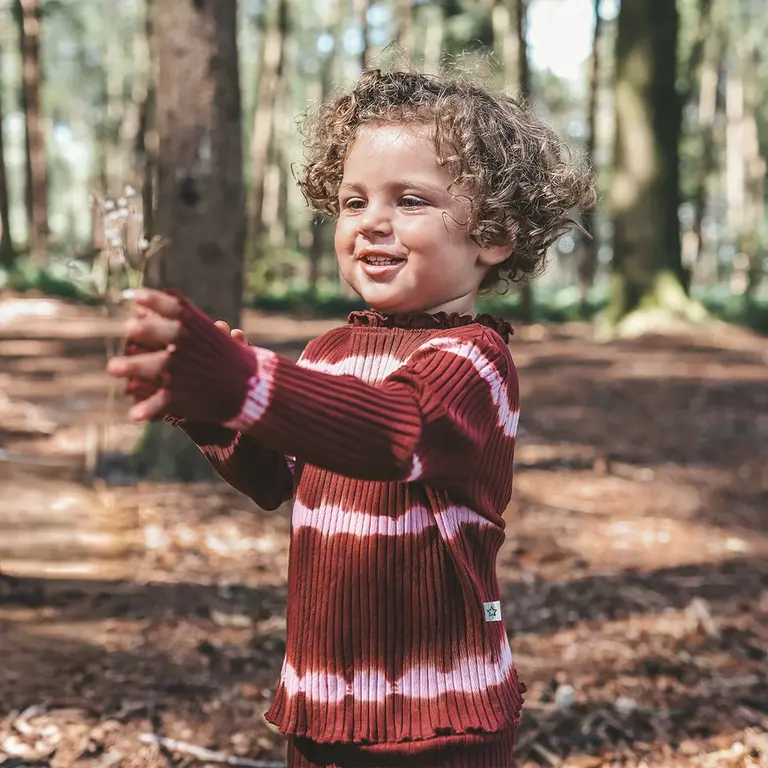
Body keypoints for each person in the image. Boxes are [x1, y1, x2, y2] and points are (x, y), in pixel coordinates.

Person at [108, 68, 593, 768]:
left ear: (494, 234)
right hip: (324, 698)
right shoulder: (329, 350)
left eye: (411, 200)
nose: (372, 223)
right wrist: (215, 417)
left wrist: (247, 380)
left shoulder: (475, 360)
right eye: (354, 200)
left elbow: (395, 433)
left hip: (439, 713)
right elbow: (280, 479)